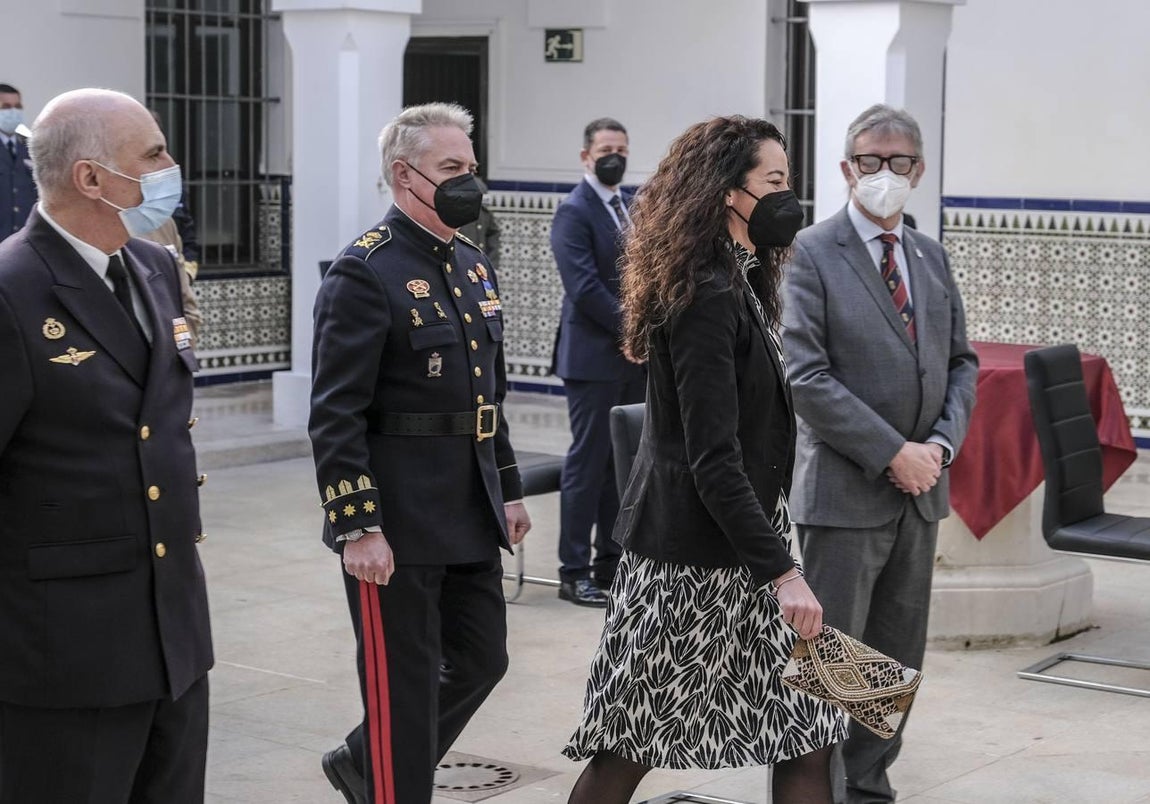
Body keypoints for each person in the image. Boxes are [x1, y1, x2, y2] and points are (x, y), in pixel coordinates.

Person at [563, 115, 848, 804]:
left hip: (745, 549)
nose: (789, 197)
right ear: (728, 192)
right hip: (690, 563)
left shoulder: (743, 276)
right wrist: (783, 572)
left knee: (817, 720)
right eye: (773, 182)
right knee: (626, 747)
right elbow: (711, 459)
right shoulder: (705, 294)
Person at [309, 102, 532, 804]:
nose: (470, 181)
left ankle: (361, 760)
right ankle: (387, 784)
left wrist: (510, 486)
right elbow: (335, 412)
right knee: (400, 687)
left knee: (481, 660)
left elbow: (486, 397)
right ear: (405, 176)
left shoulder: (472, 264)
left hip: (466, 510)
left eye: (471, 166)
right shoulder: (364, 270)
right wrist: (358, 525)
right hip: (397, 522)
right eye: (451, 169)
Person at [0, 88, 212, 802]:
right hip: (65, 656)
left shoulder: (154, 271)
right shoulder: (12, 290)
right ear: (91, 177)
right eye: (153, 155)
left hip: (173, 638)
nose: (170, 167)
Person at [781, 103, 978, 803]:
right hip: (845, 494)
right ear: (846, 169)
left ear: (918, 170)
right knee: (835, 665)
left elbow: (961, 363)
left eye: (899, 163)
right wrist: (891, 451)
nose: (884, 174)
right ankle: (819, 793)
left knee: (891, 664)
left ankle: (867, 789)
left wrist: (939, 445)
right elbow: (805, 376)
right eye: (870, 161)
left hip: (920, 494)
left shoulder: (928, 253)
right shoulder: (810, 250)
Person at [549, 116, 646, 607]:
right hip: (592, 358)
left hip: (634, 358)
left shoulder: (630, 206)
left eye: (623, 149)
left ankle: (611, 563)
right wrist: (631, 328)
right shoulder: (574, 211)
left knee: (622, 465)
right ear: (586, 156)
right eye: (607, 148)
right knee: (587, 464)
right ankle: (573, 570)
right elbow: (583, 286)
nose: (616, 156)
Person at [0, 83, 37, 241]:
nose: (13, 112)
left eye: (17, 106)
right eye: (6, 107)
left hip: (24, 241)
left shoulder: (32, 146)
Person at [457, 175, 501, 270]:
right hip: (461, 265)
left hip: (481, 265)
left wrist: (492, 263)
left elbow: (493, 234)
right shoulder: (457, 214)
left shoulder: (485, 214)